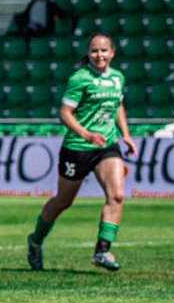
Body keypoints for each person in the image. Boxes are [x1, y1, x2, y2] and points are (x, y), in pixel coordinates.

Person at [28, 33, 131, 273]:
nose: (99, 55)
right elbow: (64, 113)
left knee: (116, 195)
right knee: (63, 201)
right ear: (89, 53)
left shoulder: (118, 78)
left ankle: (102, 251)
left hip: (106, 145)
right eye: (95, 51)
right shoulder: (79, 78)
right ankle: (35, 241)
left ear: (112, 53)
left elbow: (118, 105)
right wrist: (87, 135)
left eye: (104, 50)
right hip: (78, 148)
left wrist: (125, 134)